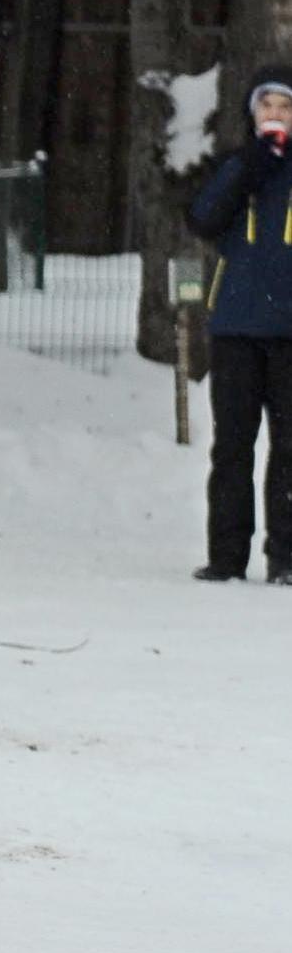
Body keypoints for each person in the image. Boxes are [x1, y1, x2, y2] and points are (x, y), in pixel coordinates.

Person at [188, 70, 292, 583]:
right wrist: (248, 167)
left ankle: (286, 558)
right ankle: (227, 556)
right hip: (235, 329)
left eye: (285, 106)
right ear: (251, 113)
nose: (275, 114)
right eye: (266, 105)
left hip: (290, 333)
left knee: (290, 449)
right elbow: (203, 218)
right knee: (233, 446)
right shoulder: (236, 165)